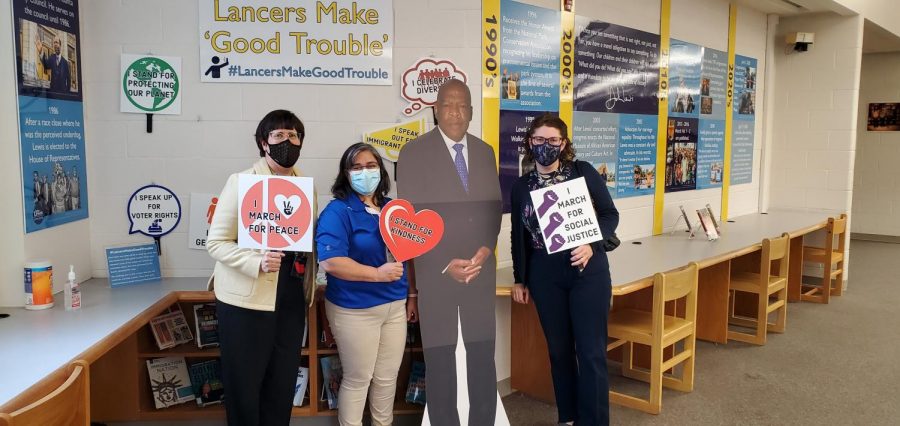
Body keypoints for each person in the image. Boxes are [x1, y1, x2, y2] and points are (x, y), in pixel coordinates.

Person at [396, 79, 502, 425]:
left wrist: (486, 249)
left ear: (471, 112)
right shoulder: (413, 153)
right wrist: (445, 263)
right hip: (437, 274)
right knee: (440, 360)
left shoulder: (485, 152)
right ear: (435, 110)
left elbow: (493, 210)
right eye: (448, 105)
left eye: (462, 106)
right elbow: (410, 223)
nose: (455, 112)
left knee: (482, 355)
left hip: (480, 271)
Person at [207, 109, 317, 426]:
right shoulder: (242, 182)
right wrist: (256, 261)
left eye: (294, 135)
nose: (288, 141)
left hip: (290, 297)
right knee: (244, 385)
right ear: (263, 143)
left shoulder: (304, 186)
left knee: (281, 383)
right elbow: (216, 243)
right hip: (246, 299)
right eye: (279, 135)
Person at [510, 114, 619, 425]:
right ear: (530, 143)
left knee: (591, 352)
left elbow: (610, 215)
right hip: (545, 274)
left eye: (553, 140)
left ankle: (594, 421)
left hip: (587, 268)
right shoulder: (522, 186)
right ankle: (568, 417)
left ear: (564, 144)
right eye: (540, 140)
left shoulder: (582, 172)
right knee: (559, 351)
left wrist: (592, 243)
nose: (546, 146)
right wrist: (520, 278)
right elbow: (518, 235)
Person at [316, 142, 419, 426]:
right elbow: (331, 262)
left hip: (395, 307)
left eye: (371, 166)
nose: (365, 172)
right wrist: (376, 274)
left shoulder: (392, 209)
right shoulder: (337, 212)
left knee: (387, 379)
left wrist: (412, 296)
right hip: (354, 310)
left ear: (381, 171)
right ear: (346, 174)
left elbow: (408, 255)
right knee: (359, 379)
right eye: (357, 167)